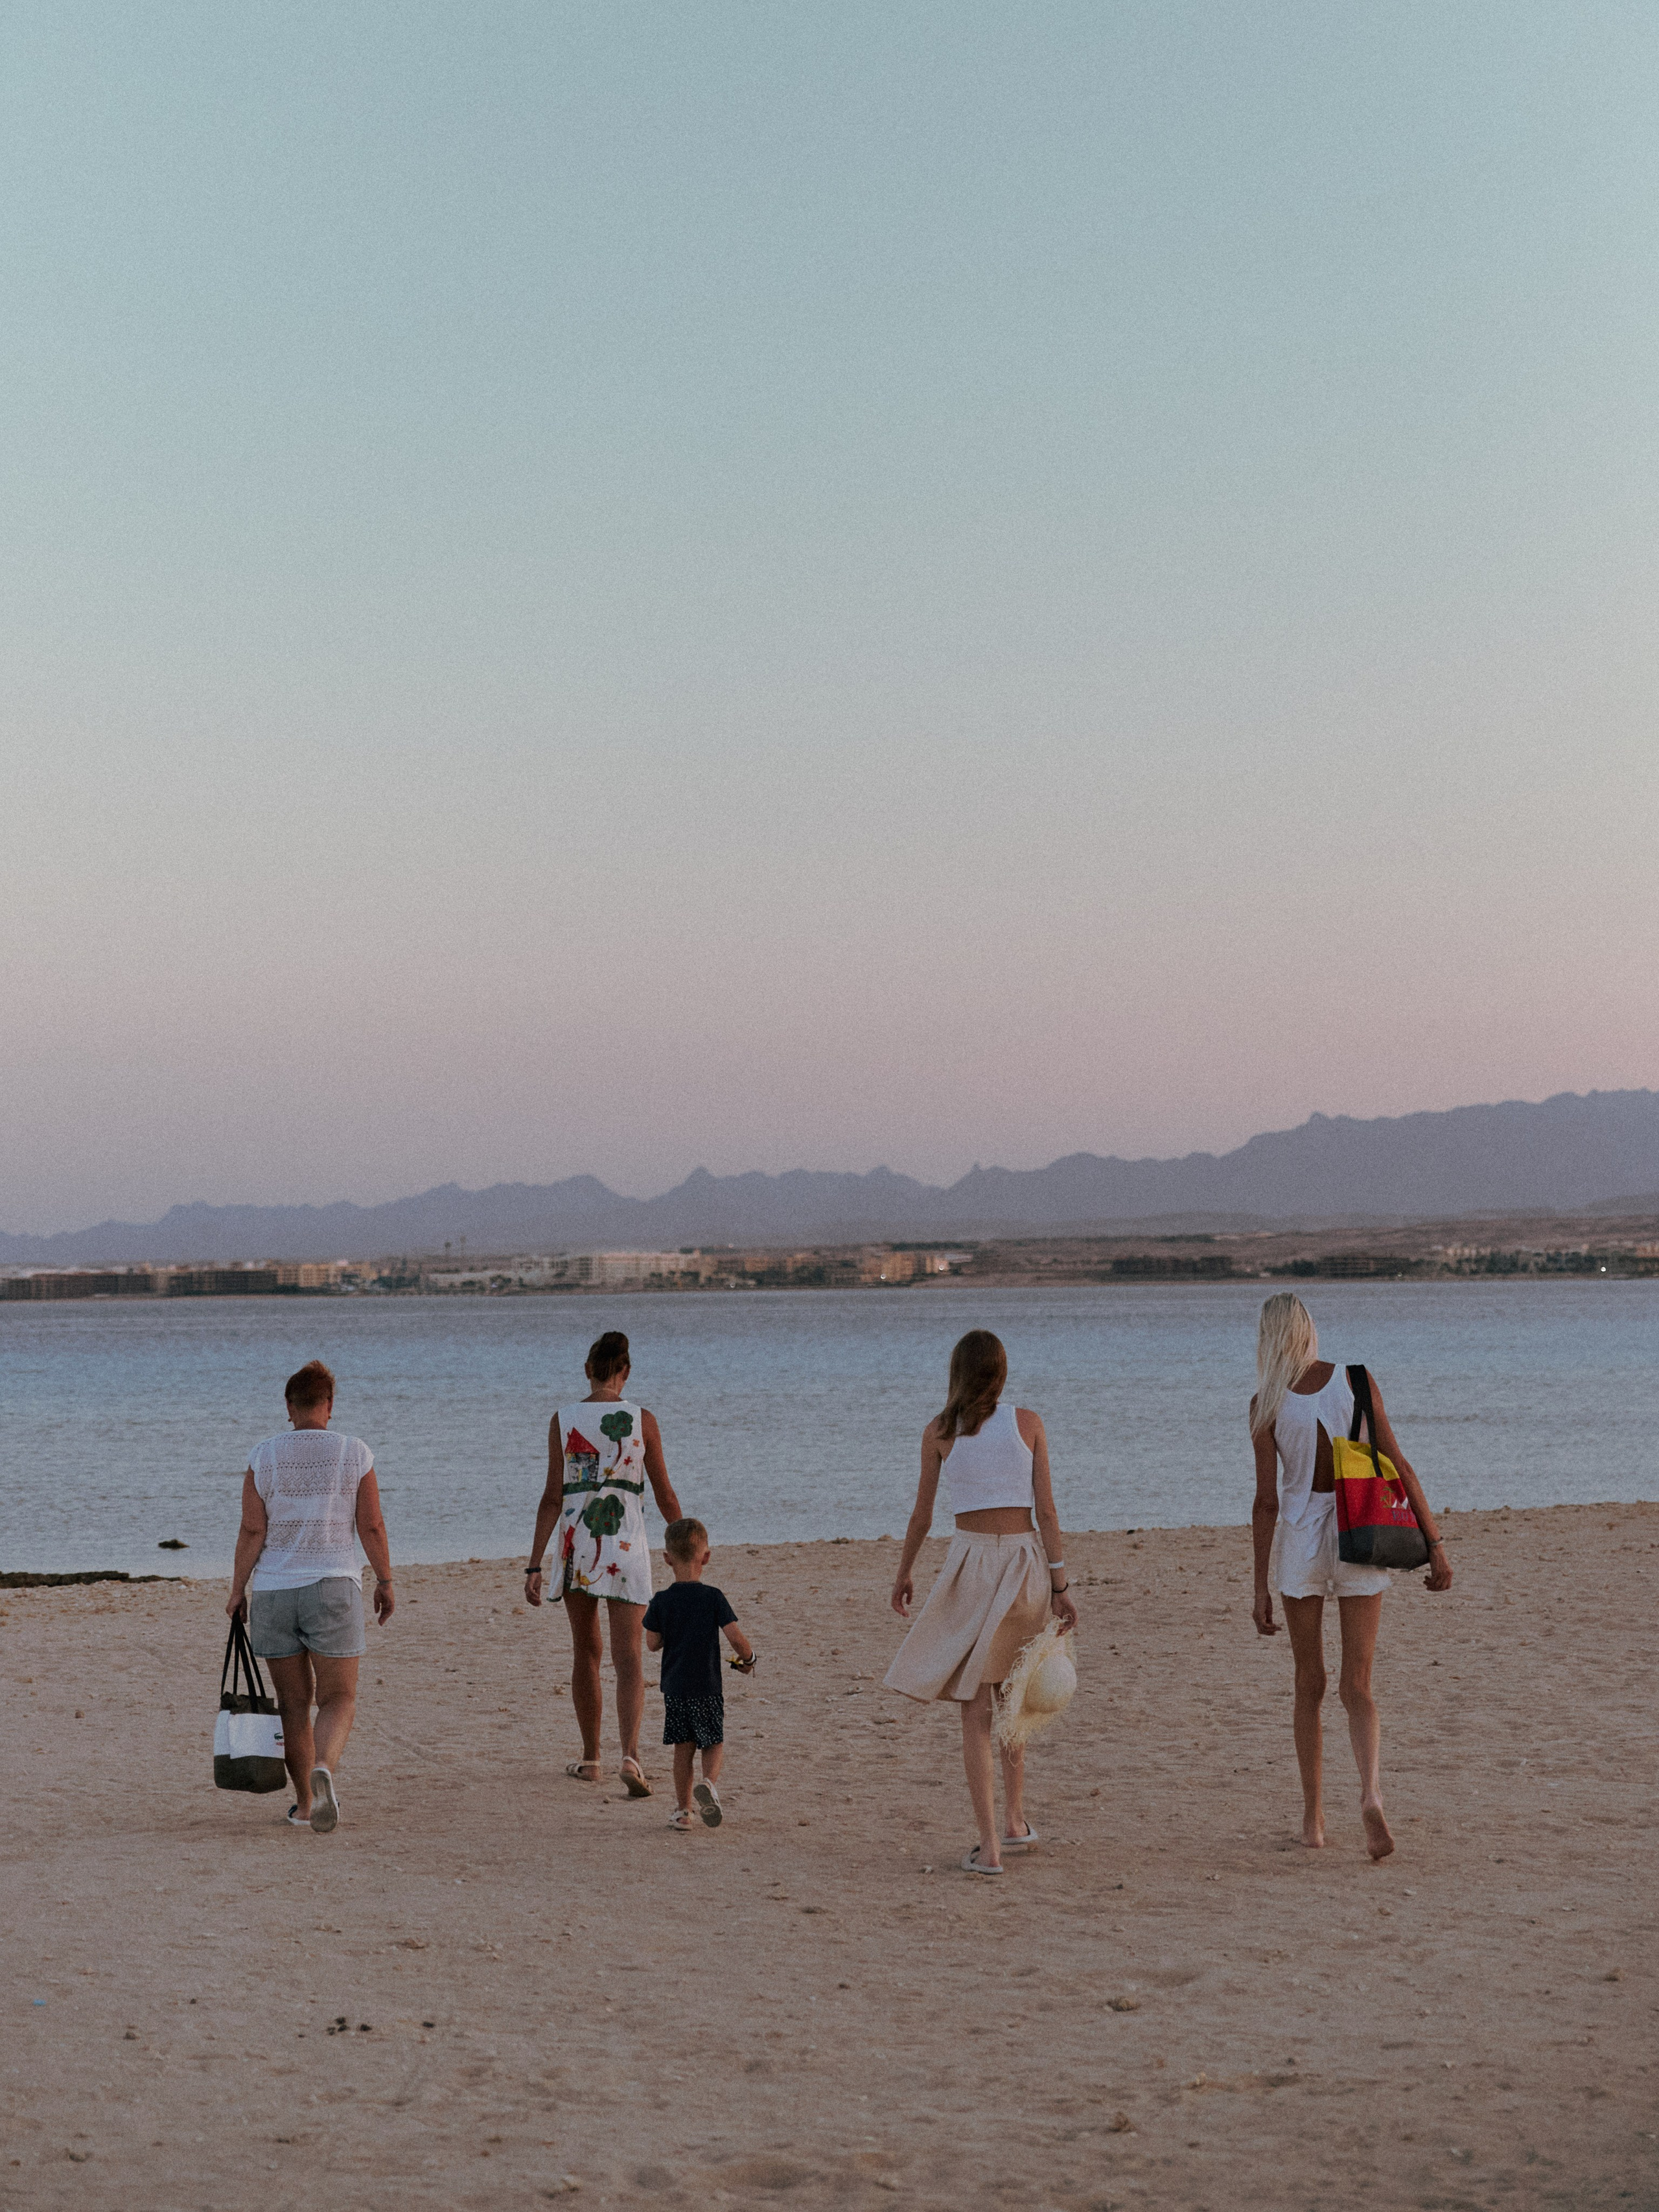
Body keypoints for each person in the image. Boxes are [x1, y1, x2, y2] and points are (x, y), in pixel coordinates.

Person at [1249, 1292, 1453, 1860]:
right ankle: (1370, 1792)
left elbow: (1266, 1501)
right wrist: (1434, 1543)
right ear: (1309, 1329)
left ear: (1267, 1338)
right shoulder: (1356, 1379)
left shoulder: (1264, 1403)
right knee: (1357, 1684)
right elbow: (1400, 1462)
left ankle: (1313, 1820)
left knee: (1308, 1683)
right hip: (1359, 1529)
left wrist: (1258, 1585)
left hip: (1300, 1540)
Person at [885, 1329, 1079, 1876]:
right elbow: (1047, 1512)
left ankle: (993, 1841)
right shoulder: (1030, 1423)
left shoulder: (940, 1431)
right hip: (1024, 1565)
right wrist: (1062, 1585)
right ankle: (1014, 1821)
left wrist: (904, 1571)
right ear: (1001, 1372)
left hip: (970, 1564)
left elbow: (922, 1515)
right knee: (1013, 1695)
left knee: (976, 1705)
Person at [226, 1358, 394, 1834]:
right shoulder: (354, 1453)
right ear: (330, 1405)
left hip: (276, 1590)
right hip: (333, 1586)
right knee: (338, 1698)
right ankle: (325, 1765)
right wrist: (385, 1578)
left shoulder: (263, 1456)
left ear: (288, 1406)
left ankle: (304, 1805)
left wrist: (237, 1589)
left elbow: (253, 1528)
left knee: (293, 1705)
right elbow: (371, 1525)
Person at [524, 1330, 682, 1796]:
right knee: (629, 1653)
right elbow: (665, 1494)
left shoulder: (564, 1418)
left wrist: (534, 1564)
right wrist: (684, 1550)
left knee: (586, 1651)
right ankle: (630, 1755)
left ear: (588, 1370)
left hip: (577, 1544)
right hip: (627, 1544)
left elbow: (552, 1497)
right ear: (625, 1372)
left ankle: (592, 1758)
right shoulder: (643, 1420)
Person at [644, 1517, 755, 1830]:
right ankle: (708, 1783)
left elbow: (652, 1644)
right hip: (707, 1686)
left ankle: (683, 1812)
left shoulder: (662, 1601)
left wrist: (669, 1631)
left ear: (667, 1559)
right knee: (713, 1741)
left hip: (676, 1689)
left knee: (683, 1748)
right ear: (706, 1557)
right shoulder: (713, 1597)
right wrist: (748, 1659)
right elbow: (735, 1638)